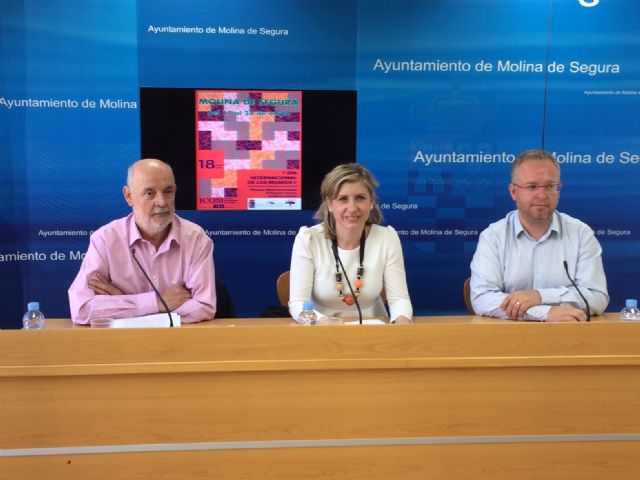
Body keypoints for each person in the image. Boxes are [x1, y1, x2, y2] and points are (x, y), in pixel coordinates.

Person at [68, 158, 216, 324]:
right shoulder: (106, 239)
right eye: (150, 193)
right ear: (129, 196)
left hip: (176, 339)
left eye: (168, 192)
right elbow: (81, 309)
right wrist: (157, 303)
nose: (162, 202)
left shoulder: (196, 239)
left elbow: (204, 306)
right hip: (121, 340)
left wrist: (125, 305)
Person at [470, 150, 609, 322]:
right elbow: (482, 299)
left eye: (550, 186)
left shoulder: (581, 234)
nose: (542, 195)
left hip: (569, 335)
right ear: (513, 192)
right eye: (532, 187)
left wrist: (540, 296)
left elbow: (597, 297)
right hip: (508, 336)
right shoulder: (493, 237)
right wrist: (545, 313)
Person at [289, 163, 413, 324]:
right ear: (330, 204)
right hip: (321, 330)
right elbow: (298, 302)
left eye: (360, 198)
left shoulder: (387, 237)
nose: (352, 208)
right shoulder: (309, 239)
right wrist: (319, 321)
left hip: (373, 331)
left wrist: (402, 321)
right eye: (343, 199)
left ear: (371, 202)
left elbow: (399, 299)